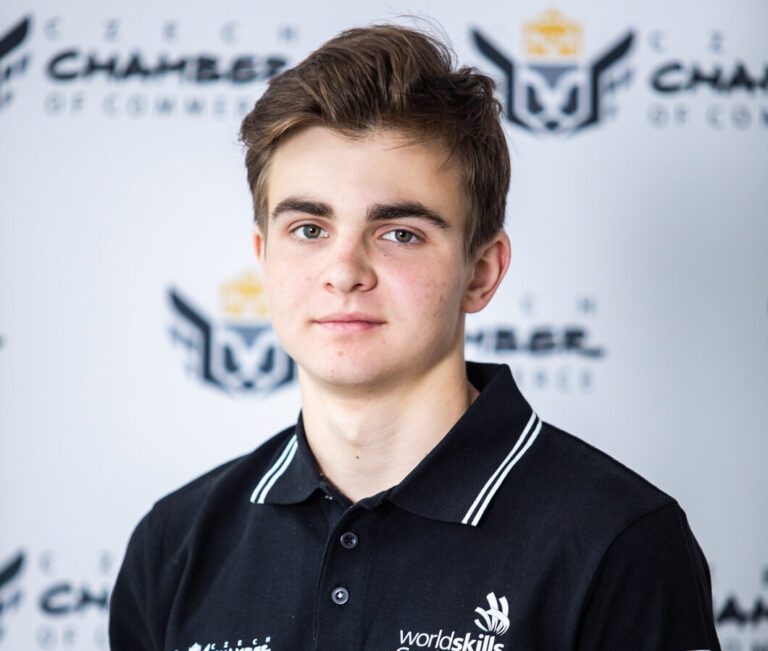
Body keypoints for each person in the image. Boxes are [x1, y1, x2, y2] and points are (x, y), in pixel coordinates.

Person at [108, 22, 721, 651]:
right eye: (309, 229)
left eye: (399, 234)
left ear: (481, 273)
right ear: (264, 257)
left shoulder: (621, 541)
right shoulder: (174, 545)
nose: (344, 272)